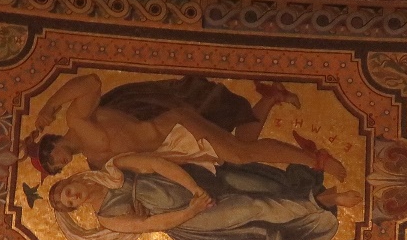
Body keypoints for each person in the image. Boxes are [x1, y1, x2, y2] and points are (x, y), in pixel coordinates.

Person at [46, 151, 360, 240]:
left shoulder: (114, 167)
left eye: (67, 192)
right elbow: (155, 223)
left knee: (256, 183)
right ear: (77, 208)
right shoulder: (107, 217)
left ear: (72, 181)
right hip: (191, 217)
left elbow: (158, 165)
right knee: (252, 207)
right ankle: (324, 201)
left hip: (192, 182)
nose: (73, 197)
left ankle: (317, 195)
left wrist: (194, 187)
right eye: (70, 203)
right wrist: (193, 207)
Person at [24, 73, 347, 181]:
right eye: (56, 169)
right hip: (174, 147)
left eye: (52, 160)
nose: (60, 165)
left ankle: (316, 159)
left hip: (176, 124)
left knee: (240, 154)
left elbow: (91, 82)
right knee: (241, 146)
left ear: (52, 145)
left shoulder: (78, 122)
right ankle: (271, 97)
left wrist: (50, 105)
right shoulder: (93, 160)